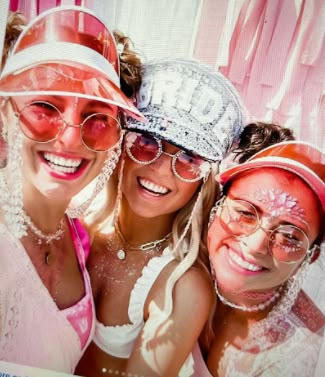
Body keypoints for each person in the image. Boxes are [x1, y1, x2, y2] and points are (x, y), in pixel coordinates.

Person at [76, 58, 246, 377]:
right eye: (146, 142)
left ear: (203, 180)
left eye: (188, 158)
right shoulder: (76, 228)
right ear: (120, 145)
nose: (160, 167)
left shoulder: (181, 286)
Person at [0, 5, 144, 374]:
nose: (69, 138)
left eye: (97, 118)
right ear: (5, 113)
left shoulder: (78, 236)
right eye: (45, 107)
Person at [200, 141, 325, 376]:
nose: (256, 245)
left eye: (289, 236)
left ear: (310, 257)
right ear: (217, 206)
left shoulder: (303, 357)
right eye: (246, 213)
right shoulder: (167, 263)